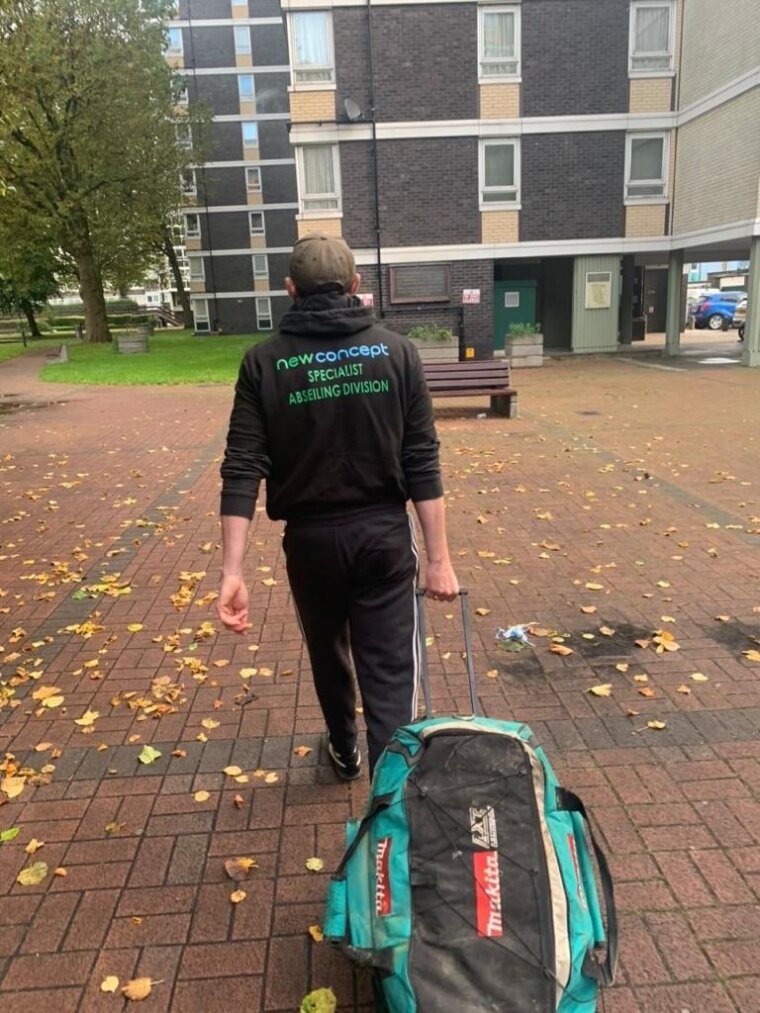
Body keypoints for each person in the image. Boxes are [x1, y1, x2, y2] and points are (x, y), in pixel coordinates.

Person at [217, 233, 458, 781]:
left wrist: (232, 571)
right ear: (355, 287)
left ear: (289, 290)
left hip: (311, 543)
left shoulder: (262, 363)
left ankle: (345, 751)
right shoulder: (398, 353)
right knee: (391, 669)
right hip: (383, 539)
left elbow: (242, 467)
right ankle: (391, 797)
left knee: (328, 653)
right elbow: (421, 458)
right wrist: (439, 558)